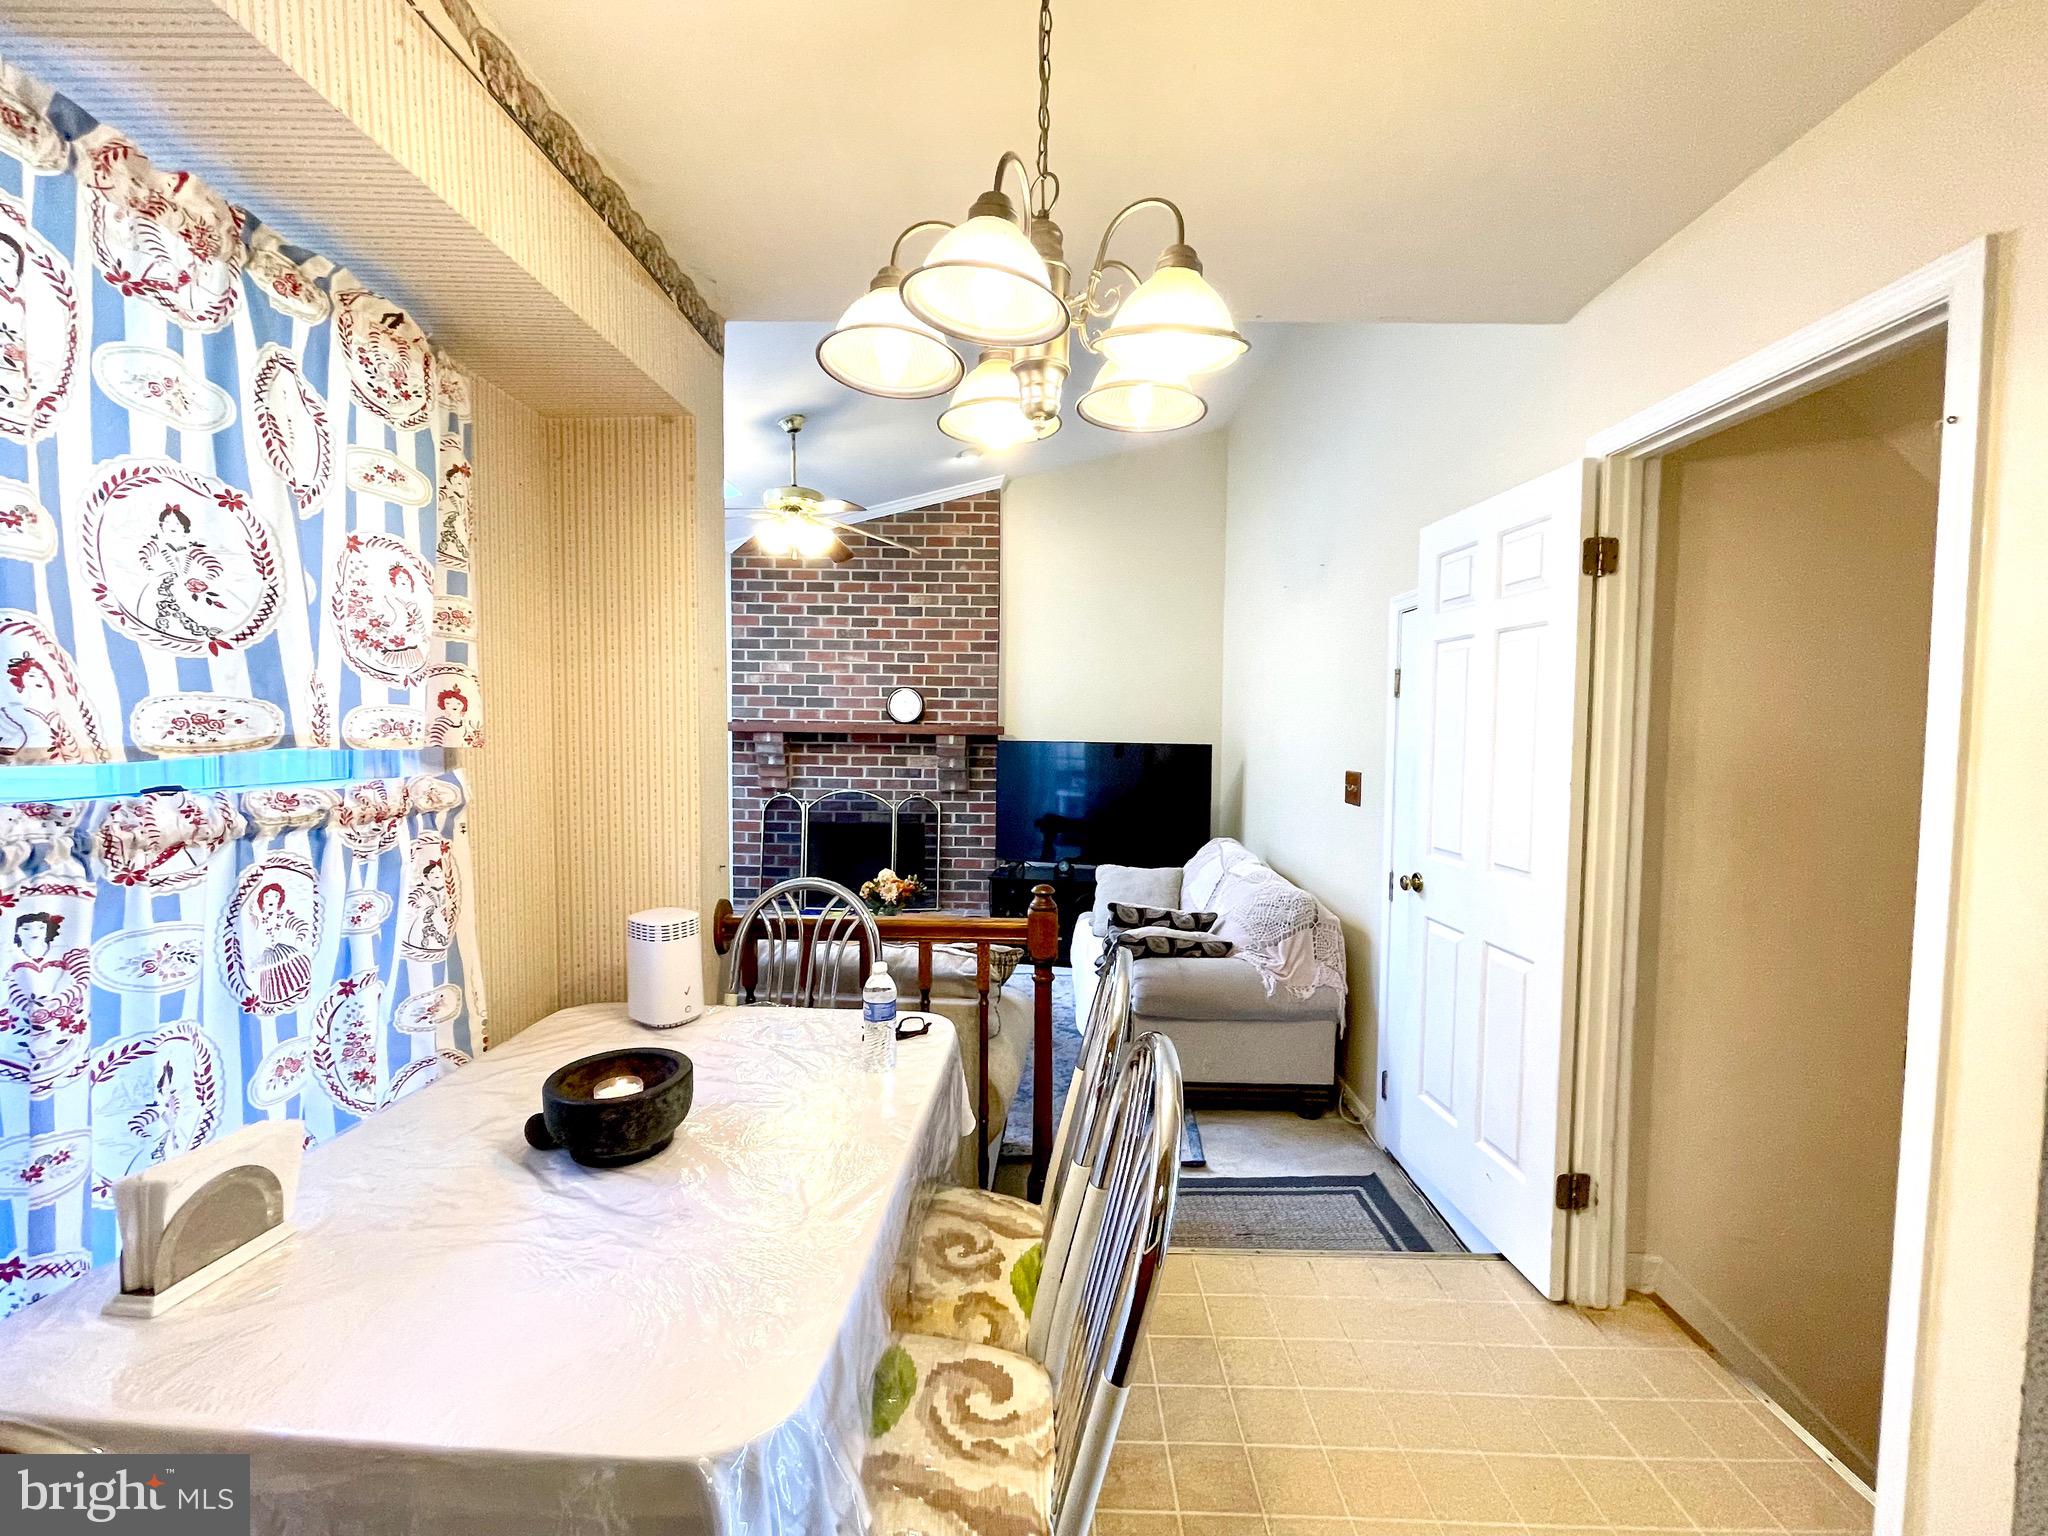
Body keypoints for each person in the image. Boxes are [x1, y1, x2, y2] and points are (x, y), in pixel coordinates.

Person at [135, 504, 228, 642]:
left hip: (186, 588)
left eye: (176, 523)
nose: (171, 526)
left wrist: (205, 580)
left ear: (184, 527)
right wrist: (151, 571)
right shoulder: (157, 545)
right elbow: (142, 557)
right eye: (166, 522)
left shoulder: (191, 549)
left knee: (198, 608)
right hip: (159, 588)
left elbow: (214, 566)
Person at [249, 880, 313, 1011]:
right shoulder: (259, 919)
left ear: (280, 899)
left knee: (294, 975)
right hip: (268, 956)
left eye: (276, 896)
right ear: (262, 900)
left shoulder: (283, 916)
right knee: (271, 983)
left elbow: (299, 925)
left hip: (285, 952)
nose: (272, 899)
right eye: (267, 896)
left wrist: (299, 938)